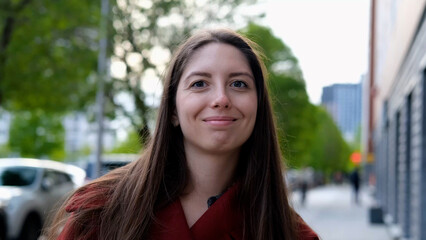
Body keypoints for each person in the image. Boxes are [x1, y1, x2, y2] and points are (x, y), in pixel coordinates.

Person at [45, 29, 319, 240]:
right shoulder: (102, 211)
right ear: (172, 110)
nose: (221, 98)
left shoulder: (289, 233)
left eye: (239, 83)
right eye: (200, 83)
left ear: (258, 107)